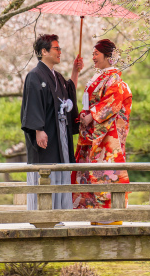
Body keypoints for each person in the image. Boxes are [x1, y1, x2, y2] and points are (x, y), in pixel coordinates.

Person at [21, 34, 83, 210]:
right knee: (46, 171)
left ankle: (59, 213)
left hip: (60, 135)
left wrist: (75, 72)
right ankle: (43, 213)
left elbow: (69, 93)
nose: (60, 52)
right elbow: (32, 104)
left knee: (61, 170)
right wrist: (38, 129)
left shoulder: (58, 77)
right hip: (46, 133)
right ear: (44, 51)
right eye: (56, 48)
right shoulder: (34, 76)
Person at [73, 39, 132, 221]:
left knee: (107, 171)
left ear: (108, 56)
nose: (93, 57)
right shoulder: (98, 78)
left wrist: (92, 116)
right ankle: (95, 214)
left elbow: (112, 103)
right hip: (95, 132)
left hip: (108, 134)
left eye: (96, 53)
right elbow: (89, 102)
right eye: (93, 53)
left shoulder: (114, 79)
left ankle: (112, 215)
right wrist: (84, 115)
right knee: (91, 170)